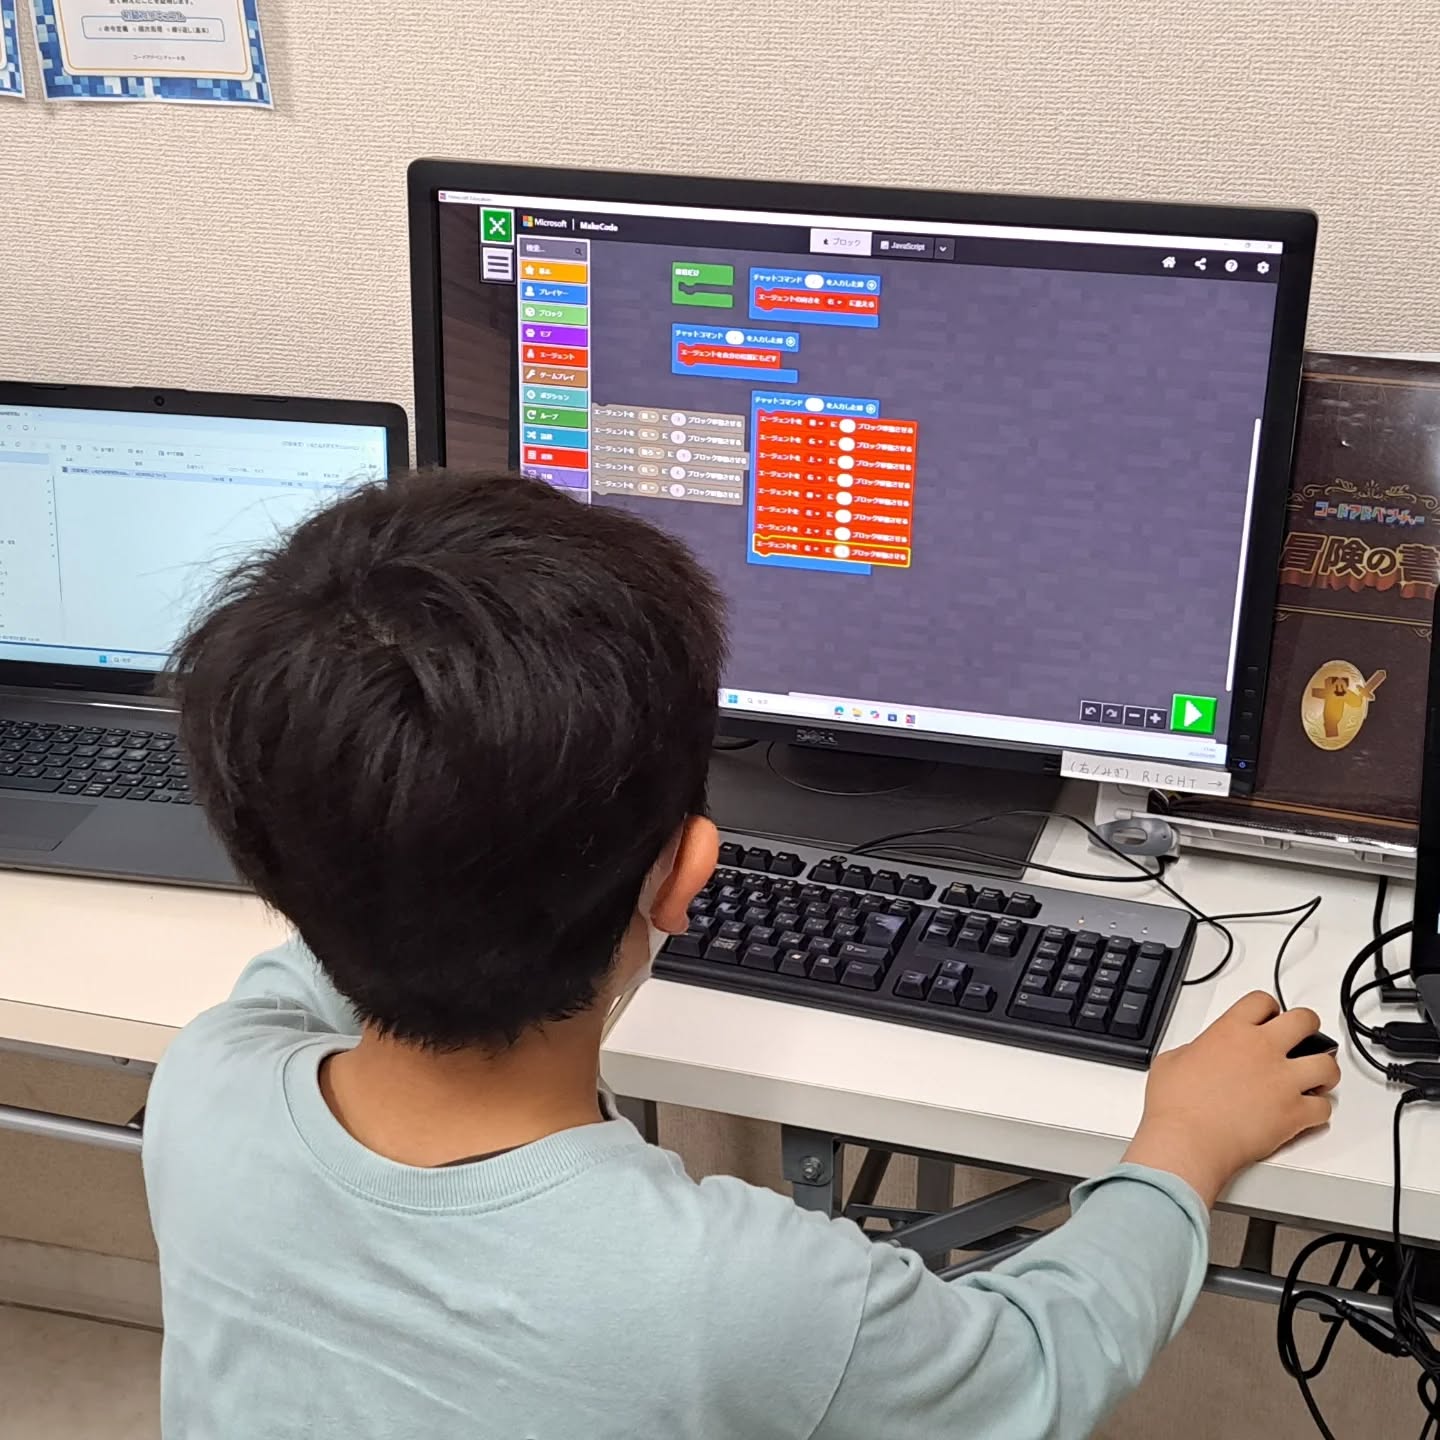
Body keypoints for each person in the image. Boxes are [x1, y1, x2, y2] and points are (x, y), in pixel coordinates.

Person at [143, 469, 1341, 1439]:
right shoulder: (739, 1299)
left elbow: (337, 904)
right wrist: (1185, 1144)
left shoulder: (206, 1086)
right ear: (687, 873)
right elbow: (1040, 1361)